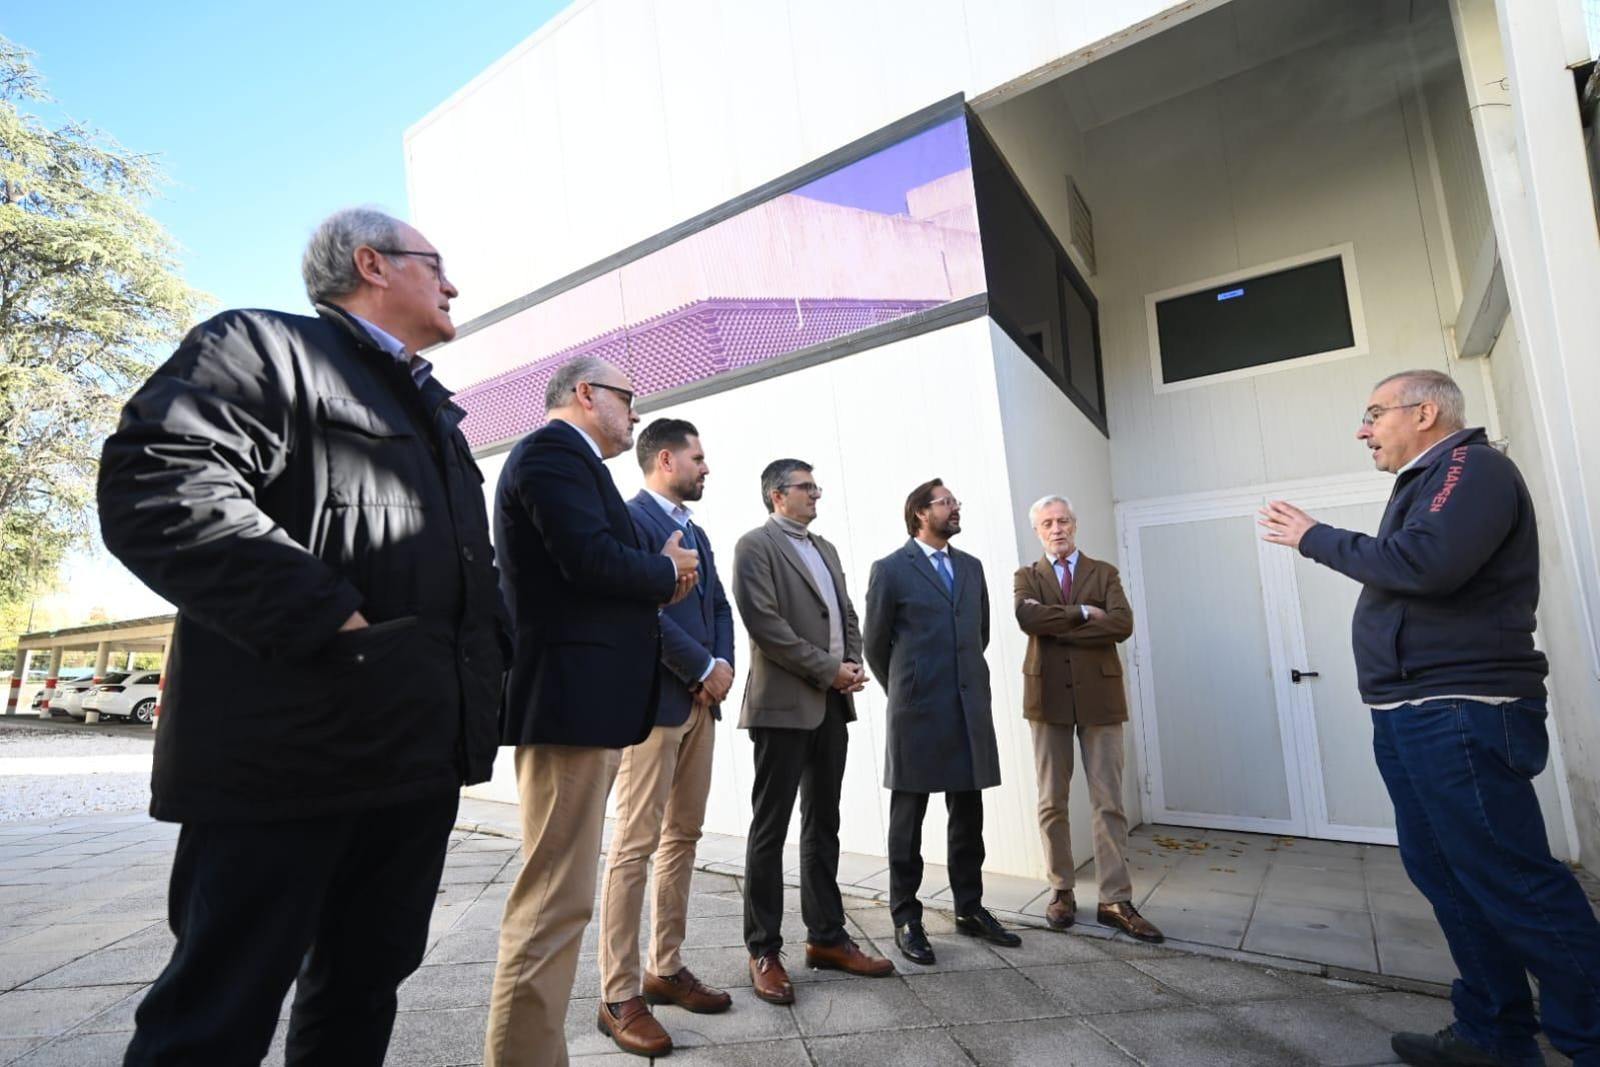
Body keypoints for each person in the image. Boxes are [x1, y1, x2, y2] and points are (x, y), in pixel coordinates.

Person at [98, 207, 509, 1066]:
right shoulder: (262, 347)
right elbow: (158, 484)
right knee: (217, 1008)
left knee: (363, 988)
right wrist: (331, 618)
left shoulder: (435, 411)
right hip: (287, 760)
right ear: (372, 263)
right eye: (436, 264)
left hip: (411, 756)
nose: (453, 284)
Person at [1260, 369, 1600, 1067]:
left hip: (1461, 708)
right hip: (1410, 712)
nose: (1364, 428)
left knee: (1513, 880)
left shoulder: (1471, 465)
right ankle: (1493, 1033)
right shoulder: (1427, 480)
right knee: (1446, 875)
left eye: (1374, 412)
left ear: (1425, 413)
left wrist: (1314, 536)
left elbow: (1426, 563)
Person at [484, 357, 700, 1067]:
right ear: (585, 394)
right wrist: (666, 570)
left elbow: (605, 564)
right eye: (628, 398)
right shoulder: (550, 452)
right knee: (551, 904)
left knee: (563, 901)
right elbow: (589, 559)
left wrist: (657, 569)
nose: (635, 414)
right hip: (569, 706)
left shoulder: (578, 465)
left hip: (590, 707)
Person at [593, 418, 736, 1057]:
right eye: (698, 458)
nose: (706, 467)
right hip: (653, 709)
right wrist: (701, 667)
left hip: (701, 708)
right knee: (632, 846)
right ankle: (618, 994)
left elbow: (721, 610)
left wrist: (722, 667)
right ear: (665, 460)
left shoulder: (698, 530)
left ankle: (666, 967)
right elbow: (636, 609)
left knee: (684, 837)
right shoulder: (629, 522)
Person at [732, 459, 894, 1005]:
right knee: (770, 830)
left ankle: (826, 939)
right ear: (777, 496)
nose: (815, 494)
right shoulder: (755, 546)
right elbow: (766, 626)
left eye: (815, 486)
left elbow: (847, 612)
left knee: (824, 823)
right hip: (781, 708)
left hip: (830, 706)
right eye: (806, 487)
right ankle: (763, 950)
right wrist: (828, 669)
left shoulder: (825, 548)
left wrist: (850, 661)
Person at [863, 479, 1019, 966]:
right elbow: (875, 644)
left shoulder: (970, 568)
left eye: (955, 501)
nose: (956, 508)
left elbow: (981, 633)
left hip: (967, 706)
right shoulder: (890, 570)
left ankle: (969, 907)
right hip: (915, 709)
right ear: (919, 513)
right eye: (946, 502)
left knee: (968, 815)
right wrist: (907, 689)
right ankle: (906, 916)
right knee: (908, 820)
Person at [1013, 496, 1164, 943]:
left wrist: (1055, 626)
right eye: (1047, 523)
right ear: (1037, 531)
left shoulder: (1104, 573)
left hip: (1100, 698)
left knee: (1109, 802)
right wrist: (1081, 614)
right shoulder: (1027, 576)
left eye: (1063, 521)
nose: (1056, 529)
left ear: (1075, 524)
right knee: (1051, 800)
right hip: (1047, 700)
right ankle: (1061, 890)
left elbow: (1121, 624)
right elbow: (1027, 617)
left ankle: (1114, 899)